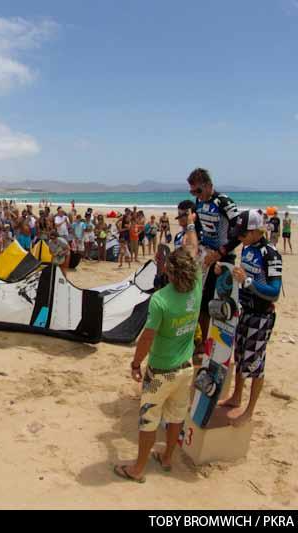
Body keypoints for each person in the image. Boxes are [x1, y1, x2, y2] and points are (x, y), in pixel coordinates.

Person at [115, 218, 199, 482]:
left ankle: (137, 469)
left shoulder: (161, 300)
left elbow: (147, 338)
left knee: (148, 420)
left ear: (170, 273)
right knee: (176, 418)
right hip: (186, 368)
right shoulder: (197, 289)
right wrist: (192, 227)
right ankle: (166, 458)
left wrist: (135, 363)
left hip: (161, 370)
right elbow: (194, 249)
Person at [218, 210, 282, 427]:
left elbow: (274, 291)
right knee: (240, 356)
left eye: (243, 233)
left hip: (261, 315)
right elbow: (242, 275)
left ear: (256, 231)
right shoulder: (247, 248)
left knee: (255, 363)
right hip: (244, 311)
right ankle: (236, 395)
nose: (240, 237)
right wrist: (225, 271)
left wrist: (247, 282)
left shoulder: (270, 254)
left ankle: (250, 410)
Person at [187, 168, 241, 344]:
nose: (196, 195)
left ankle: (222, 342)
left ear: (209, 185)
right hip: (206, 257)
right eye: (192, 191)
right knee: (203, 301)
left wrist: (219, 253)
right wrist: (199, 245)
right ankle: (204, 342)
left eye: (199, 190)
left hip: (224, 258)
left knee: (222, 303)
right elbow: (199, 226)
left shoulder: (224, 202)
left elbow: (240, 232)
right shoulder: (199, 202)